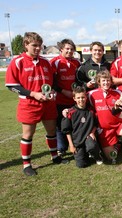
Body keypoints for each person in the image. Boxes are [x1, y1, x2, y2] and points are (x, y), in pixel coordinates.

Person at [5, 32, 67, 176]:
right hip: (29, 104)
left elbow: (52, 82)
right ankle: (27, 164)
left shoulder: (45, 62)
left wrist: (51, 91)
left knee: (51, 131)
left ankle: (55, 156)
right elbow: (11, 85)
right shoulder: (18, 61)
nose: (38, 48)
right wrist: (33, 94)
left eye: (40, 46)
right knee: (28, 134)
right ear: (26, 45)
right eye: (34, 45)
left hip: (47, 103)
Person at [87, 70, 122, 163]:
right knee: (111, 158)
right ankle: (118, 145)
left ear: (111, 81)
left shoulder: (118, 93)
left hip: (117, 125)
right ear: (99, 82)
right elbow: (81, 103)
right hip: (104, 129)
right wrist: (67, 110)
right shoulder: (91, 94)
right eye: (103, 80)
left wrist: (120, 107)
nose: (106, 83)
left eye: (108, 80)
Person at [50, 38, 81, 156]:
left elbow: (79, 80)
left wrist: (76, 91)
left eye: (71, 49)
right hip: (60, 100)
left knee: (74, 123)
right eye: (67, 49)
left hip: (73, 99)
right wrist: (63, 91)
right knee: (61, 124)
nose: (69, 51)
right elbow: (51, 82)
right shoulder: (55, 62)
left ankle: (76, 145)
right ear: (61, 49)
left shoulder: (76, 62)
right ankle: (61, 148)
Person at [61, 86, 103, 168]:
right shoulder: (70, 113)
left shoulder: (91, 111)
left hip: (88, 138)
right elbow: (67, 131)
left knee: (91, 146)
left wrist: (92, 132)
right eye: (78, 98)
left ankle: (97, 156)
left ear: (86, 97)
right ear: (74, 98)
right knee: (81, 165)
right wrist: (71, 145)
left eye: (83, 97)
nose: (81, 100)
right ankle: (86, 154)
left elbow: (96, 124)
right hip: (78, 142)